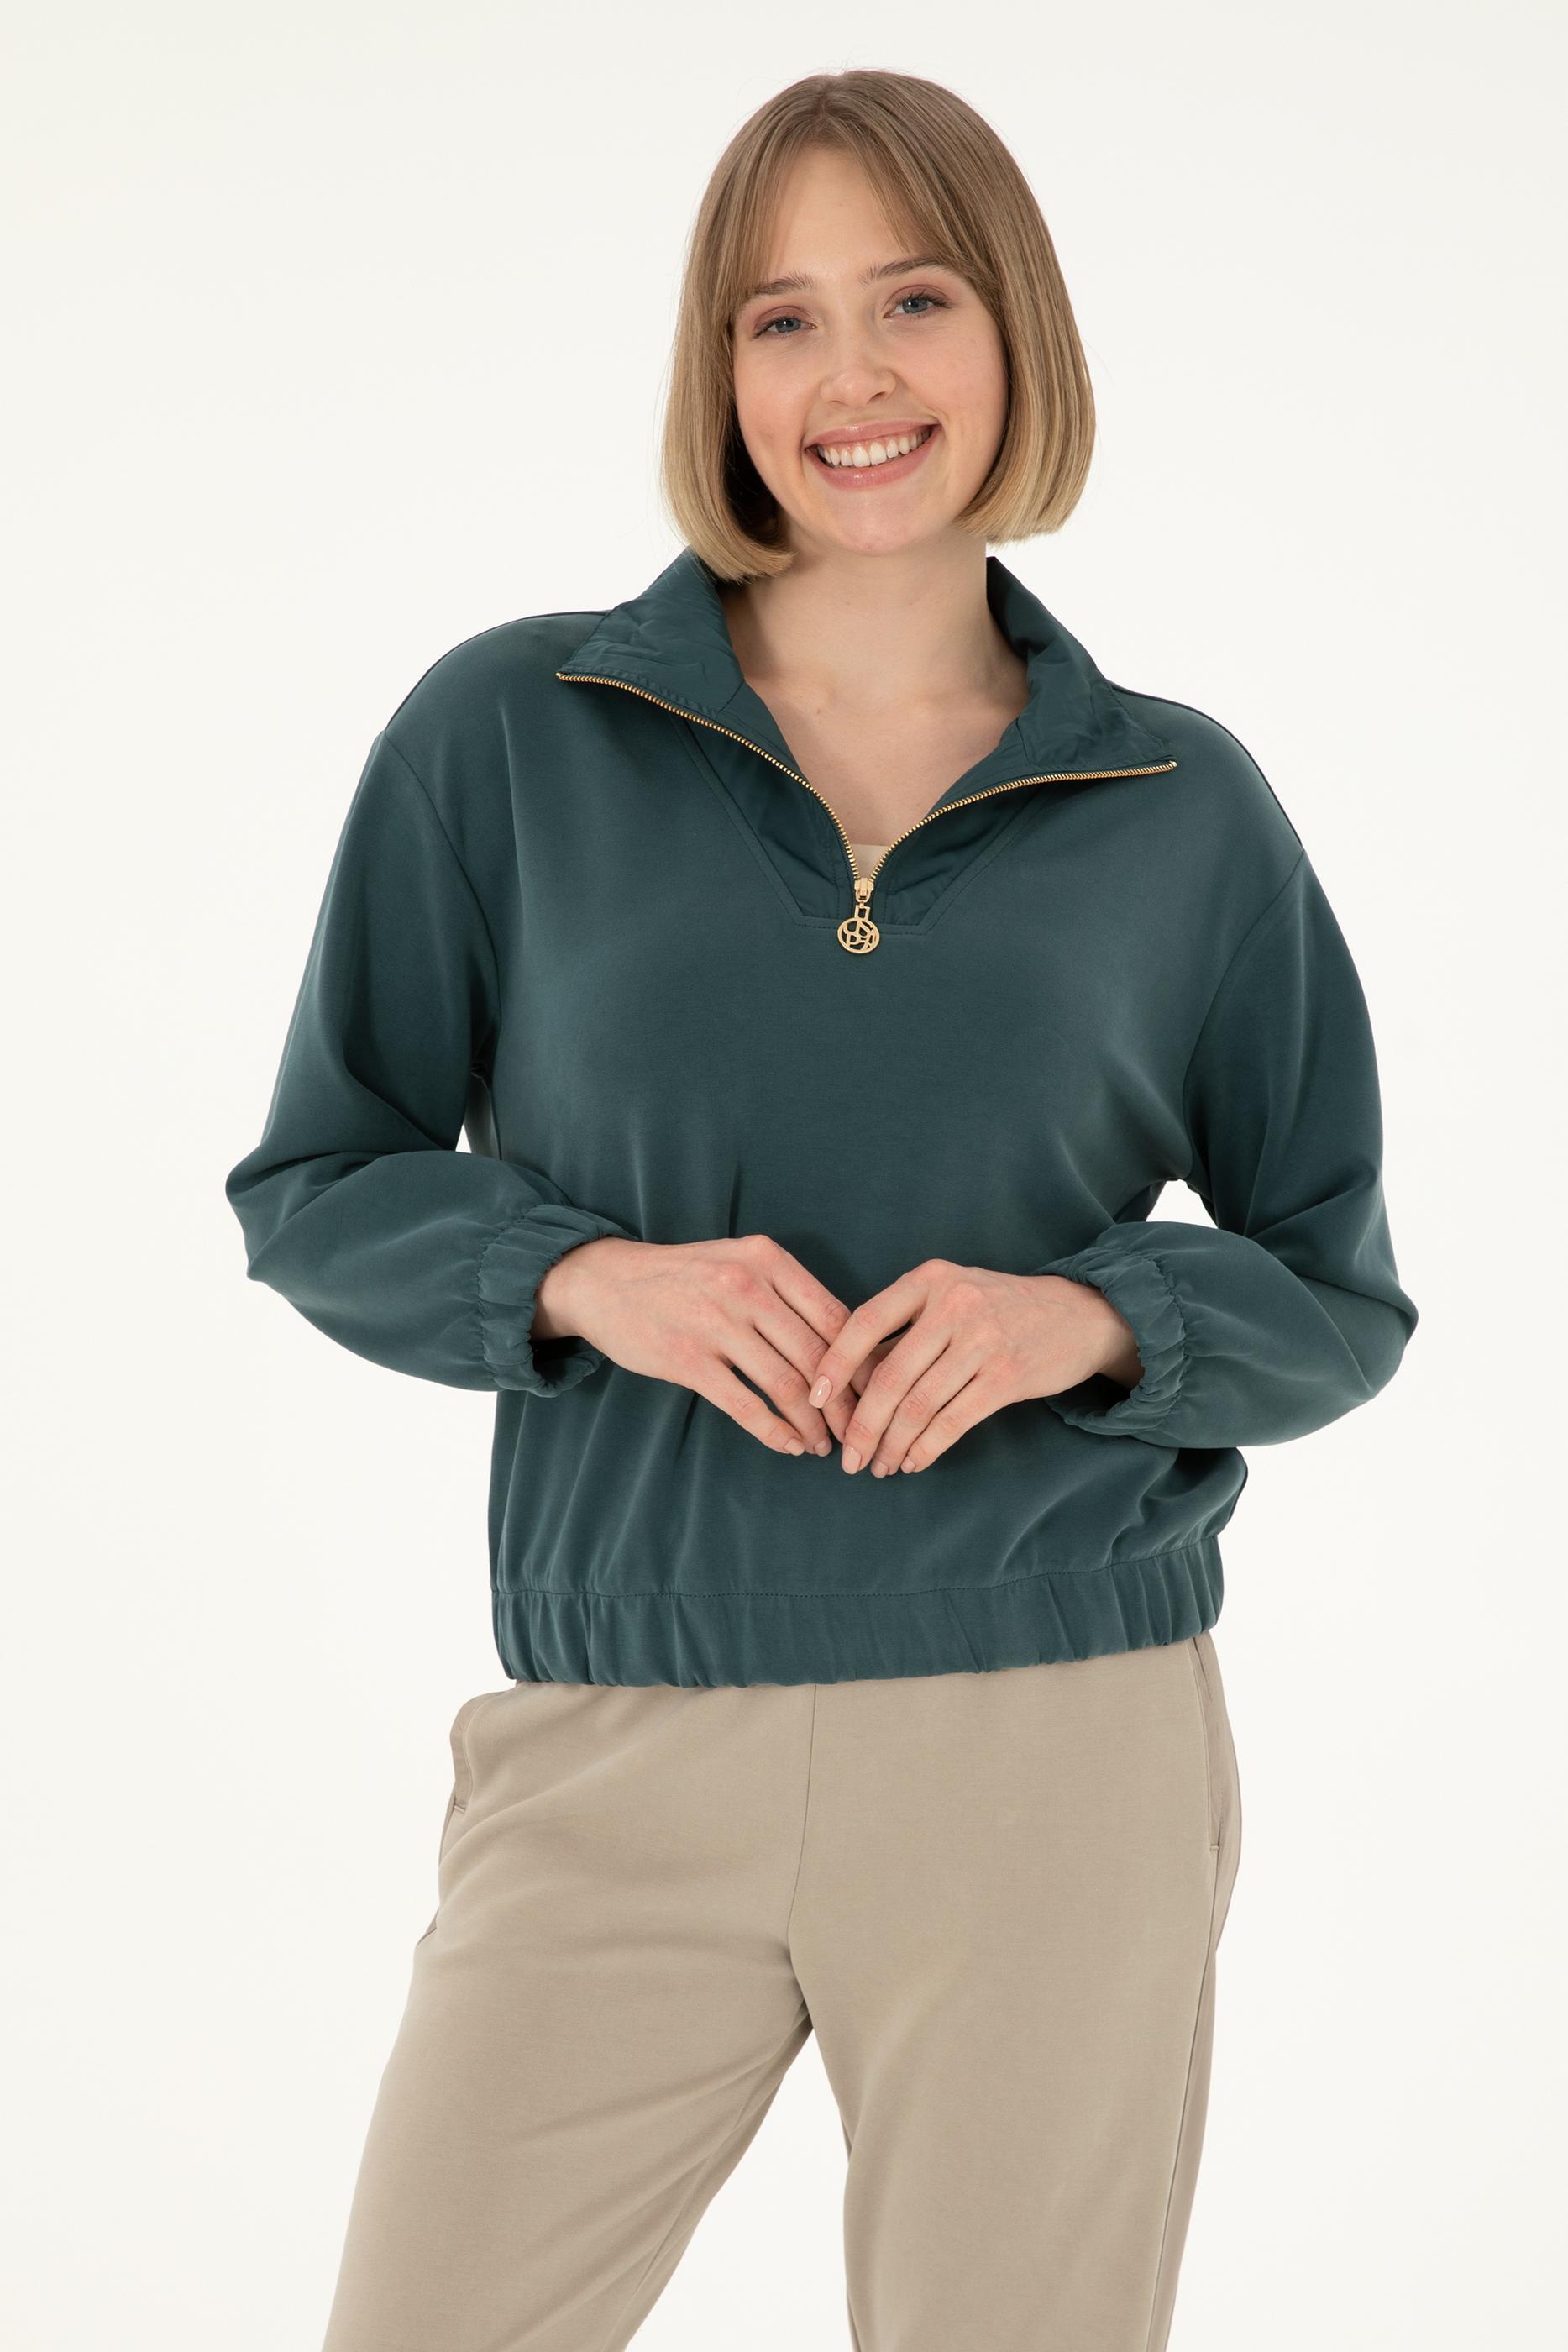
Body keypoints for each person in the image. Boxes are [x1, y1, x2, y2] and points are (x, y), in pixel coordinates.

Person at [224, 67, 1418, 2352]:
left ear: (1015, 332)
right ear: (720, 370)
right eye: (780, 318)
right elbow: (317, 1181)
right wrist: (581, 1276)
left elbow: (1333, 1292)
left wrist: (1093, 1320)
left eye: (914, 299)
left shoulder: (1181, 805)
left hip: (1052, 1746)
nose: (852, 375)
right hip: (617, 1730)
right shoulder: (513, 733)